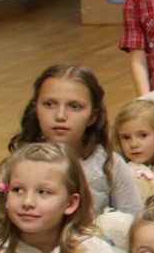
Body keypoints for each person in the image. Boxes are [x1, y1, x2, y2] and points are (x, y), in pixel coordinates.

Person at [12, 63, 142, 216]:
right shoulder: (18, 165)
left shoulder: (109, 165)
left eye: (74, 106)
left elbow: (133, 219)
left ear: (93, 116)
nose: (60, 116)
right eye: (49, 104)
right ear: (36, 110)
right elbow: (1, 224)